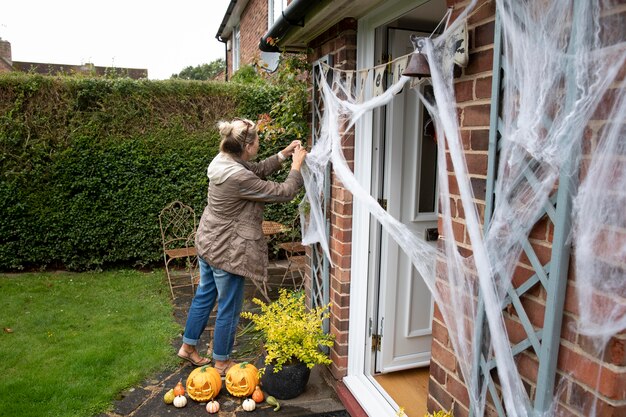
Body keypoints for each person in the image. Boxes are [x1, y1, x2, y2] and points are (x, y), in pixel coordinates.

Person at [177, 117, 307, 375]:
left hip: (208, 241)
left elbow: (254, 169)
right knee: (229, 306)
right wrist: (296, 167)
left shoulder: (223, 161)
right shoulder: (238, 178)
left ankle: (188, 347)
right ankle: (223, 361)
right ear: (247, 146)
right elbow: (283, 192)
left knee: (205, 295)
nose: (259, 143)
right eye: (258, 140)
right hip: (226, 250)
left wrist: (282, 155)